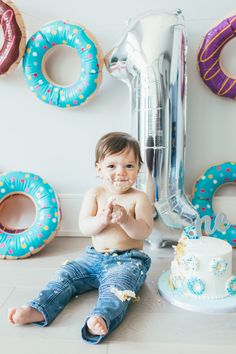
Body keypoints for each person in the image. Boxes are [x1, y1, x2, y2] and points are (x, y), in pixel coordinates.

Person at [8, 131, 153, 344]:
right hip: (92, 258)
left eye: (129, 166)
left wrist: (126, 221)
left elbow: (144, 231)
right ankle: (38, 308)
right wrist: (101, 220)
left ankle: (100, 317)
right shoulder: (94, 194)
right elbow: (85, 227)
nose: (120, 172)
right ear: (99, 168)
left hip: (127, 260)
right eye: (112, 166)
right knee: (65, 275)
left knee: (118, 288)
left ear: (138, 168)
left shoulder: (139, 198)